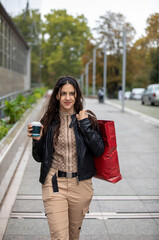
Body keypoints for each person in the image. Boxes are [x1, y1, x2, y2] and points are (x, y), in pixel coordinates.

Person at [27, 76, 105, 240]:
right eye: (63, 94)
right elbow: (39, 157)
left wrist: (84, 124)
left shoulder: (88, 120)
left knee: (73, 235)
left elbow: (98, 150)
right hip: (55, 184)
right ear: (57, 95)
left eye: (71, 93)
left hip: (81, 185)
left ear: (76, 96)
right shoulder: (48, 122)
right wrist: (38, 140)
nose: (68, 98)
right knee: (59, 237)